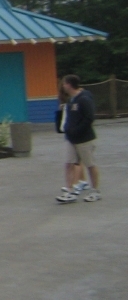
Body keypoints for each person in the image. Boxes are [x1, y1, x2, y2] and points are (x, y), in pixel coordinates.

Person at [56, 74, 100, 203]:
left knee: (90, 165)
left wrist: (76, 130)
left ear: (69, 85)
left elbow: (89, 118)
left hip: (85, 138)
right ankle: (70, 191)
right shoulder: (70, 100)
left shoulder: (84, 99)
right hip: (71, 139)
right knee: (69, 163)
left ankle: (95, 191)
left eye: (64, 84)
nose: (63, 86)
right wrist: (68, 130)